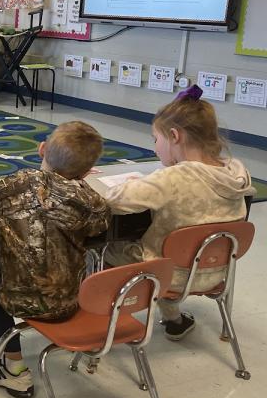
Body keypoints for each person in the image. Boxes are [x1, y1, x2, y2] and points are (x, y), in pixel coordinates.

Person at [0, 121, 111, 398]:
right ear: (88, 169)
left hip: (22, 300)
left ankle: (14, 369)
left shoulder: (25, 185)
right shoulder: (92, 201)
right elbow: (100, 224)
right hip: (72, 299)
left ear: (41, 149)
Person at [103, 85, 254, 341]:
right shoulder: (237, 173)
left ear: (174, 136)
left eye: (156, 139)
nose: (154, 148)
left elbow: (113, 202)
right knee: (174, 246)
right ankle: (174, 320)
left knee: (103, 248)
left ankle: (101, 325)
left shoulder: (171, 179)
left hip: (167, 276)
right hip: (217, 272)